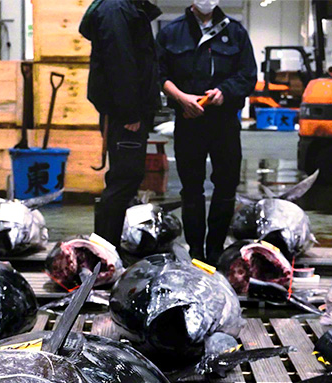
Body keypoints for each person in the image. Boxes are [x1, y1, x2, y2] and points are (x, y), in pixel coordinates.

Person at [157, 0, 256, 263]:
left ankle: (215, 250)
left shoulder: (235, 32)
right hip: (189, 121)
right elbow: (158, 73)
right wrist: (181, 98)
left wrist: (225, 92)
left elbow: (248, 75)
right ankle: (196, 251)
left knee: (226, 186)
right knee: (191, 188)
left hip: (225, 122)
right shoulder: (171, 33)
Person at [80, 0, 163, 247]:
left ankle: (107, 248)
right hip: (125, 116)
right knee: (124, 180)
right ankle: (105, 251)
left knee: (124, 179)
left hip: (127, 112)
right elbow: (120, 63)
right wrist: (130, 113)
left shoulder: (124, 8)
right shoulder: (116, 10)